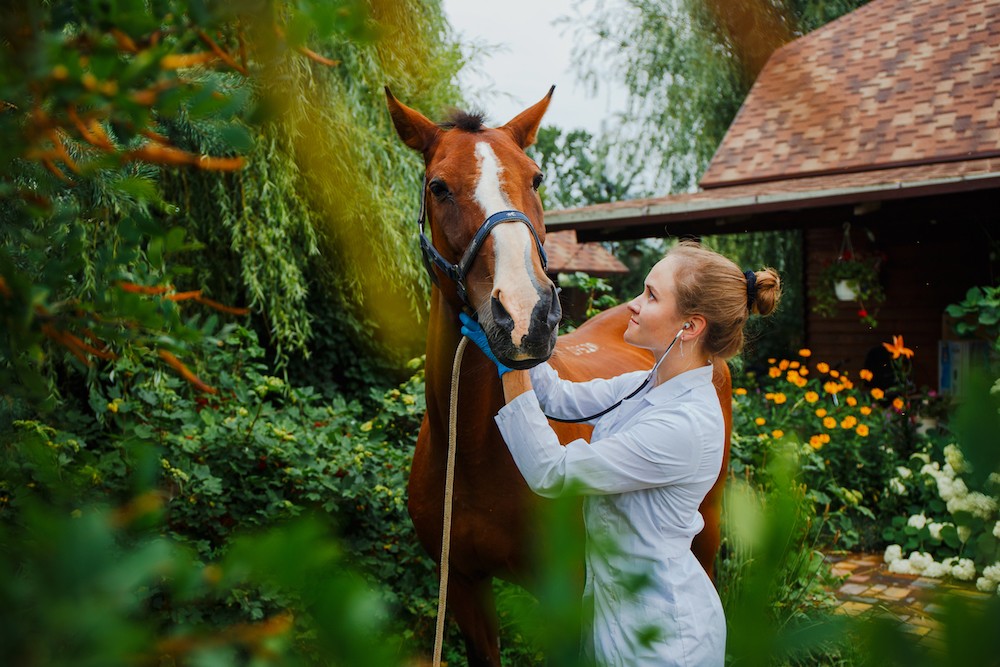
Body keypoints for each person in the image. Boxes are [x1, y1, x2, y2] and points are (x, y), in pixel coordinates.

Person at [460, 240, 781, 666]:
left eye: (650, 295)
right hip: (617, 615)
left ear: (689, 327)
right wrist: (523, 332)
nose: (631, 304)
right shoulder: (648, 384)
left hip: (664, 639)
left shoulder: (683, 425)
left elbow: (552, 472)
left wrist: (513, 364)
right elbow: (558, 396)